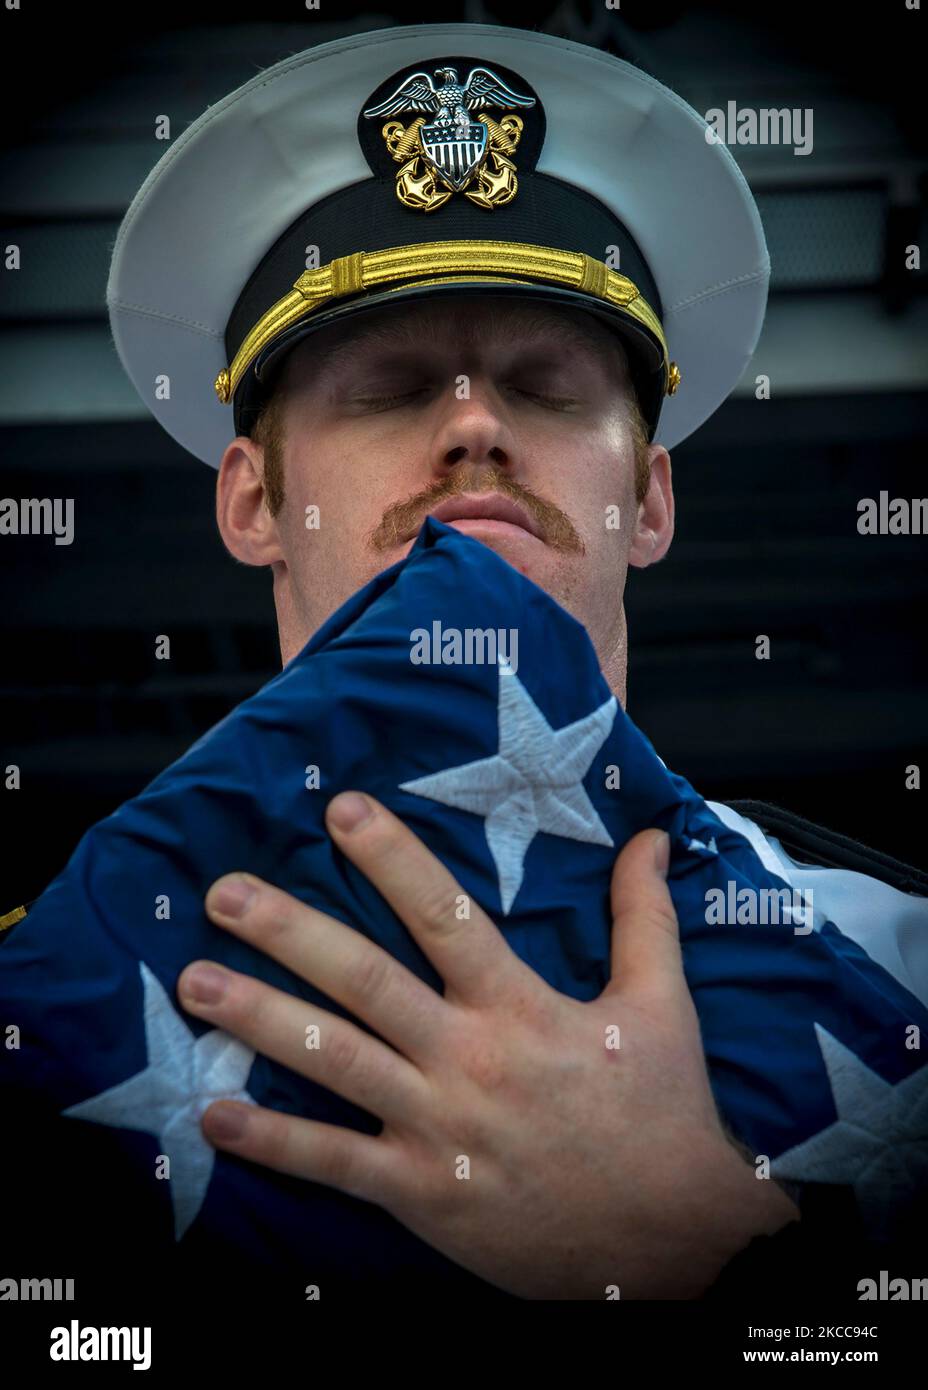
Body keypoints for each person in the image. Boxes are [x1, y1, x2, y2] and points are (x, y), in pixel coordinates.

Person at [4, 22, 926, 1302]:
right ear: (252, 503)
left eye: (547, 389)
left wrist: (714, 1261)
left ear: (649, 503)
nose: (477, 425)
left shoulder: (905, 957)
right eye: (386, 389)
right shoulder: (49, 996)